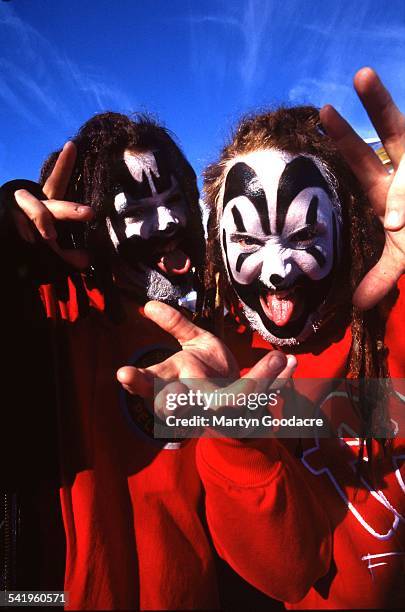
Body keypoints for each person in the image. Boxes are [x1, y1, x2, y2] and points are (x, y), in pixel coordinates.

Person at [121, 67, 405, 609]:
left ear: (347, 223)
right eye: (248, 239)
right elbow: (289, 573)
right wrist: (238, 442)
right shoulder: (229, 371)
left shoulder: (397, 311)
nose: (277, 272)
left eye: (303, 235)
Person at [0, 112, 217, 610]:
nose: (168, 223)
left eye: (175, 200)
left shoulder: (217, 319)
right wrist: (8, 254)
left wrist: (238, 417)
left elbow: (320, 417)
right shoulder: (50, 319)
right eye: (137, 210)